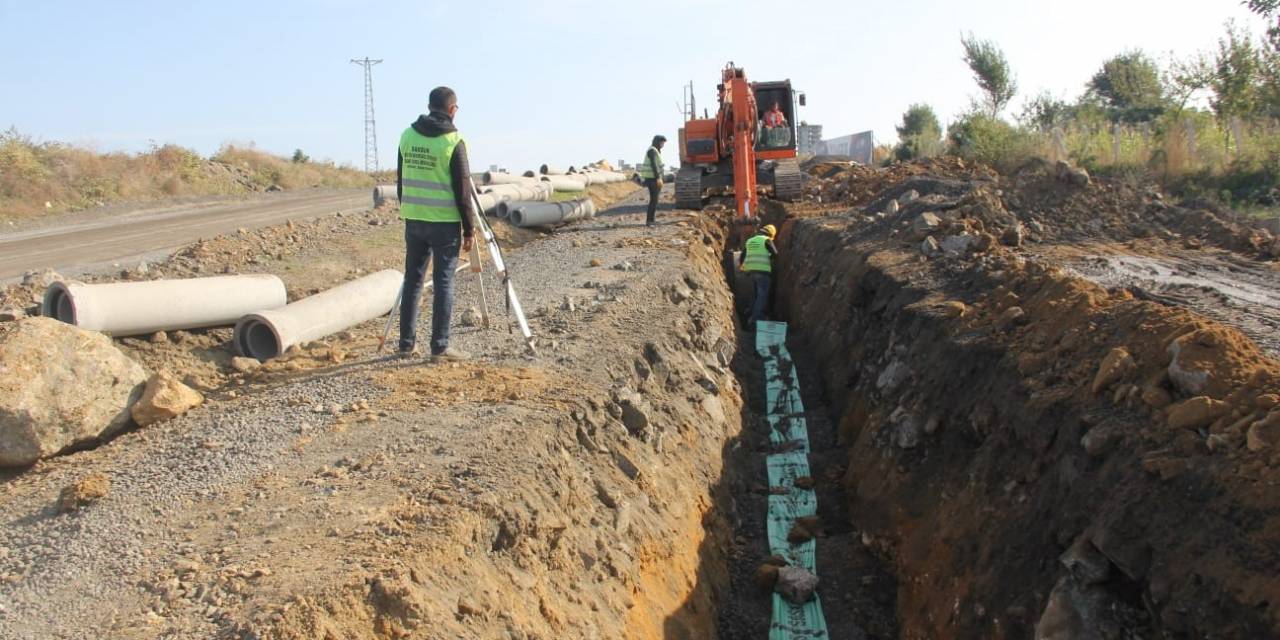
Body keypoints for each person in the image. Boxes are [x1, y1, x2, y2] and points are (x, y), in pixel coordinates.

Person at [396, 86, 475, 361]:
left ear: (430, 106)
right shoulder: (453, 140)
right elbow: (463, 190)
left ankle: (406, 345)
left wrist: (408, 207)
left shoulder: (407, 135)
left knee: (413, 281)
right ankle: (439, 347)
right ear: (452, 110)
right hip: (444, 224)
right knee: (443, 282)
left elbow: (401, 180)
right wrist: (469, 228)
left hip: (414, 218)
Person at [739, 224, 779, 327]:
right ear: (771, 235)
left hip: (751, 272)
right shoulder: (767, 240)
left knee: (757, 294)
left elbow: (742, 257)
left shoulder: (750, 241)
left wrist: (743, 267)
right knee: (762, 295)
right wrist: (769, 259)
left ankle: (751, 313)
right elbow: (775, 254)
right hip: (763, 271)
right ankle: (757, 318)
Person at [638, 135, 666, 226]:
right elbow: (654, 165)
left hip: (653, 178)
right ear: (657, 142)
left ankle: (651, 220)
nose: (663, 145)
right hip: (652, 179)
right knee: (654, 200)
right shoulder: (652, 151)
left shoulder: (655, 150)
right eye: (662, 142)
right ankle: (650, 221)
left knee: (655, 200)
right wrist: (658, 178)